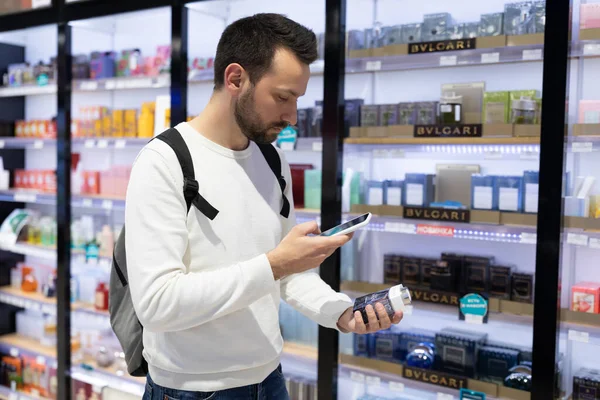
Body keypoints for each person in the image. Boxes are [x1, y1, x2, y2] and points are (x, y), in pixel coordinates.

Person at [125, 13, 404, 400]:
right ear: (235, 79)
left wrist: (339, 311)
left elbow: (286, 275)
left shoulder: (272, 162)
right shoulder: (165, 162)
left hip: (270, 380)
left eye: (297, 100)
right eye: (282, 98)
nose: (291, 117)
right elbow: (158, 304)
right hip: (191, 391)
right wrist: (274, 263)